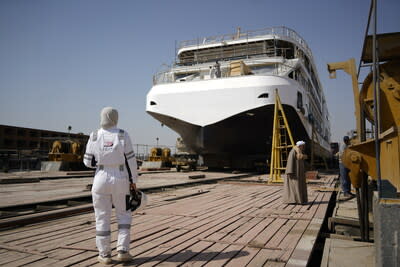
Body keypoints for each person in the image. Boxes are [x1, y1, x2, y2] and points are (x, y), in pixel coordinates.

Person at [83, 107, 138, 264]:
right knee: (124, 215)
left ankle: (104, 255)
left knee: (101, 217)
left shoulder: (93, 136)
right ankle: (122, 251)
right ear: (115, 118)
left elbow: (87, 162)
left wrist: (101, 163)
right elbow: (132, 162)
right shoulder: (122, 135)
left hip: (100, 178)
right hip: (121, 178)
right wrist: (134, 181)